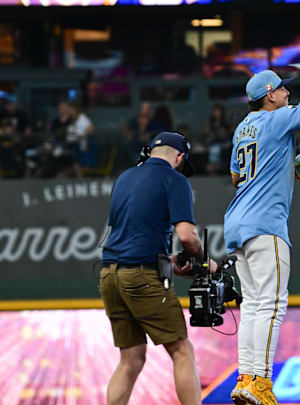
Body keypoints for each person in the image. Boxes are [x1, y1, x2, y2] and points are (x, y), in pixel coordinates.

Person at [225, 19, 300, 405]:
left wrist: (283, 165)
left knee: (253, 307)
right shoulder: (277, 118)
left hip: (237, 222)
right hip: (265, 224)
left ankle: (246, 378)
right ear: (269, 96)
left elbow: (235, 176)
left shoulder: (243, 126)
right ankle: (260, 383)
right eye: (280, 88)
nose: (286, 91)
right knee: (272, 306)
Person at [100, 132, 217, 405]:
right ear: (179, 157)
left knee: (131, 358)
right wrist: (201, 259)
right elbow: (187, 236)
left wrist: (170, 259)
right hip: (141, 276)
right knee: (181, 351)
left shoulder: (125, 178)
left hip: (110, 274)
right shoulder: (174, 180)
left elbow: (135, 233)